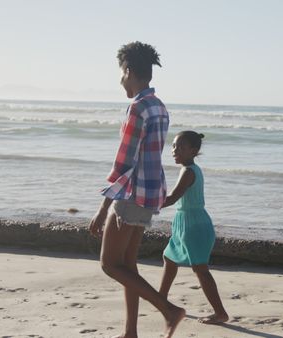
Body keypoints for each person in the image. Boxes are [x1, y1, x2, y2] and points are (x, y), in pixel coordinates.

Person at [89, 41, 184, 338]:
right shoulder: (159, 106)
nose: (120, 80)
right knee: (128, 265)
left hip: (131, 196)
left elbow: (124, 162)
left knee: (109, 264)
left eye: (121, 73)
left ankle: (169, 310)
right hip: (150, 194)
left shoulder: (138, 108)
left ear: (129, 71)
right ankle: (130, 332)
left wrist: (103, 207)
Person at [159, 131, 229, 325]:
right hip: (184, 224)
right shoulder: (187, 169)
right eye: (173, 146)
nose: (175, 150)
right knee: (169, 258)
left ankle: (220, 313)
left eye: (180, 147)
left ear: (194, 150)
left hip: (194, 226)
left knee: (200, 269)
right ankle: (161, 299)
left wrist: (147, 205)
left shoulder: (190, 171)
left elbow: (172, 198)